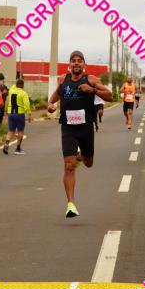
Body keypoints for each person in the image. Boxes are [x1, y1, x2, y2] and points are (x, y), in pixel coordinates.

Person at [47, 50, 112, 218]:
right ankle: (71, 204)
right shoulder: (63, 80)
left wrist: (92, 90)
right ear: (69, 64)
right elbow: (56, 95)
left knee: (88, 162)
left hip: (85, 128)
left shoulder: (91, 80)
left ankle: (81, 156)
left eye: (79, 60)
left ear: (84, 64)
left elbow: (110, 96)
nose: (76, 63)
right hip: (68, 128)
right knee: (69, 166)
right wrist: (50, 105)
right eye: (73, 60)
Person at [4, 79, 32, 155]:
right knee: (20, 131)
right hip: (19, 114)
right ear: (23, 86)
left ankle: (6, 143)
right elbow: (27, 104)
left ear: (16, 85)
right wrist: (29, 114)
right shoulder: (23, 93)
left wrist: (6, 112)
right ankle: (18, 148)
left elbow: (13, 86)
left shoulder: (11, 90)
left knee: (11, 131)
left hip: (11, 113)